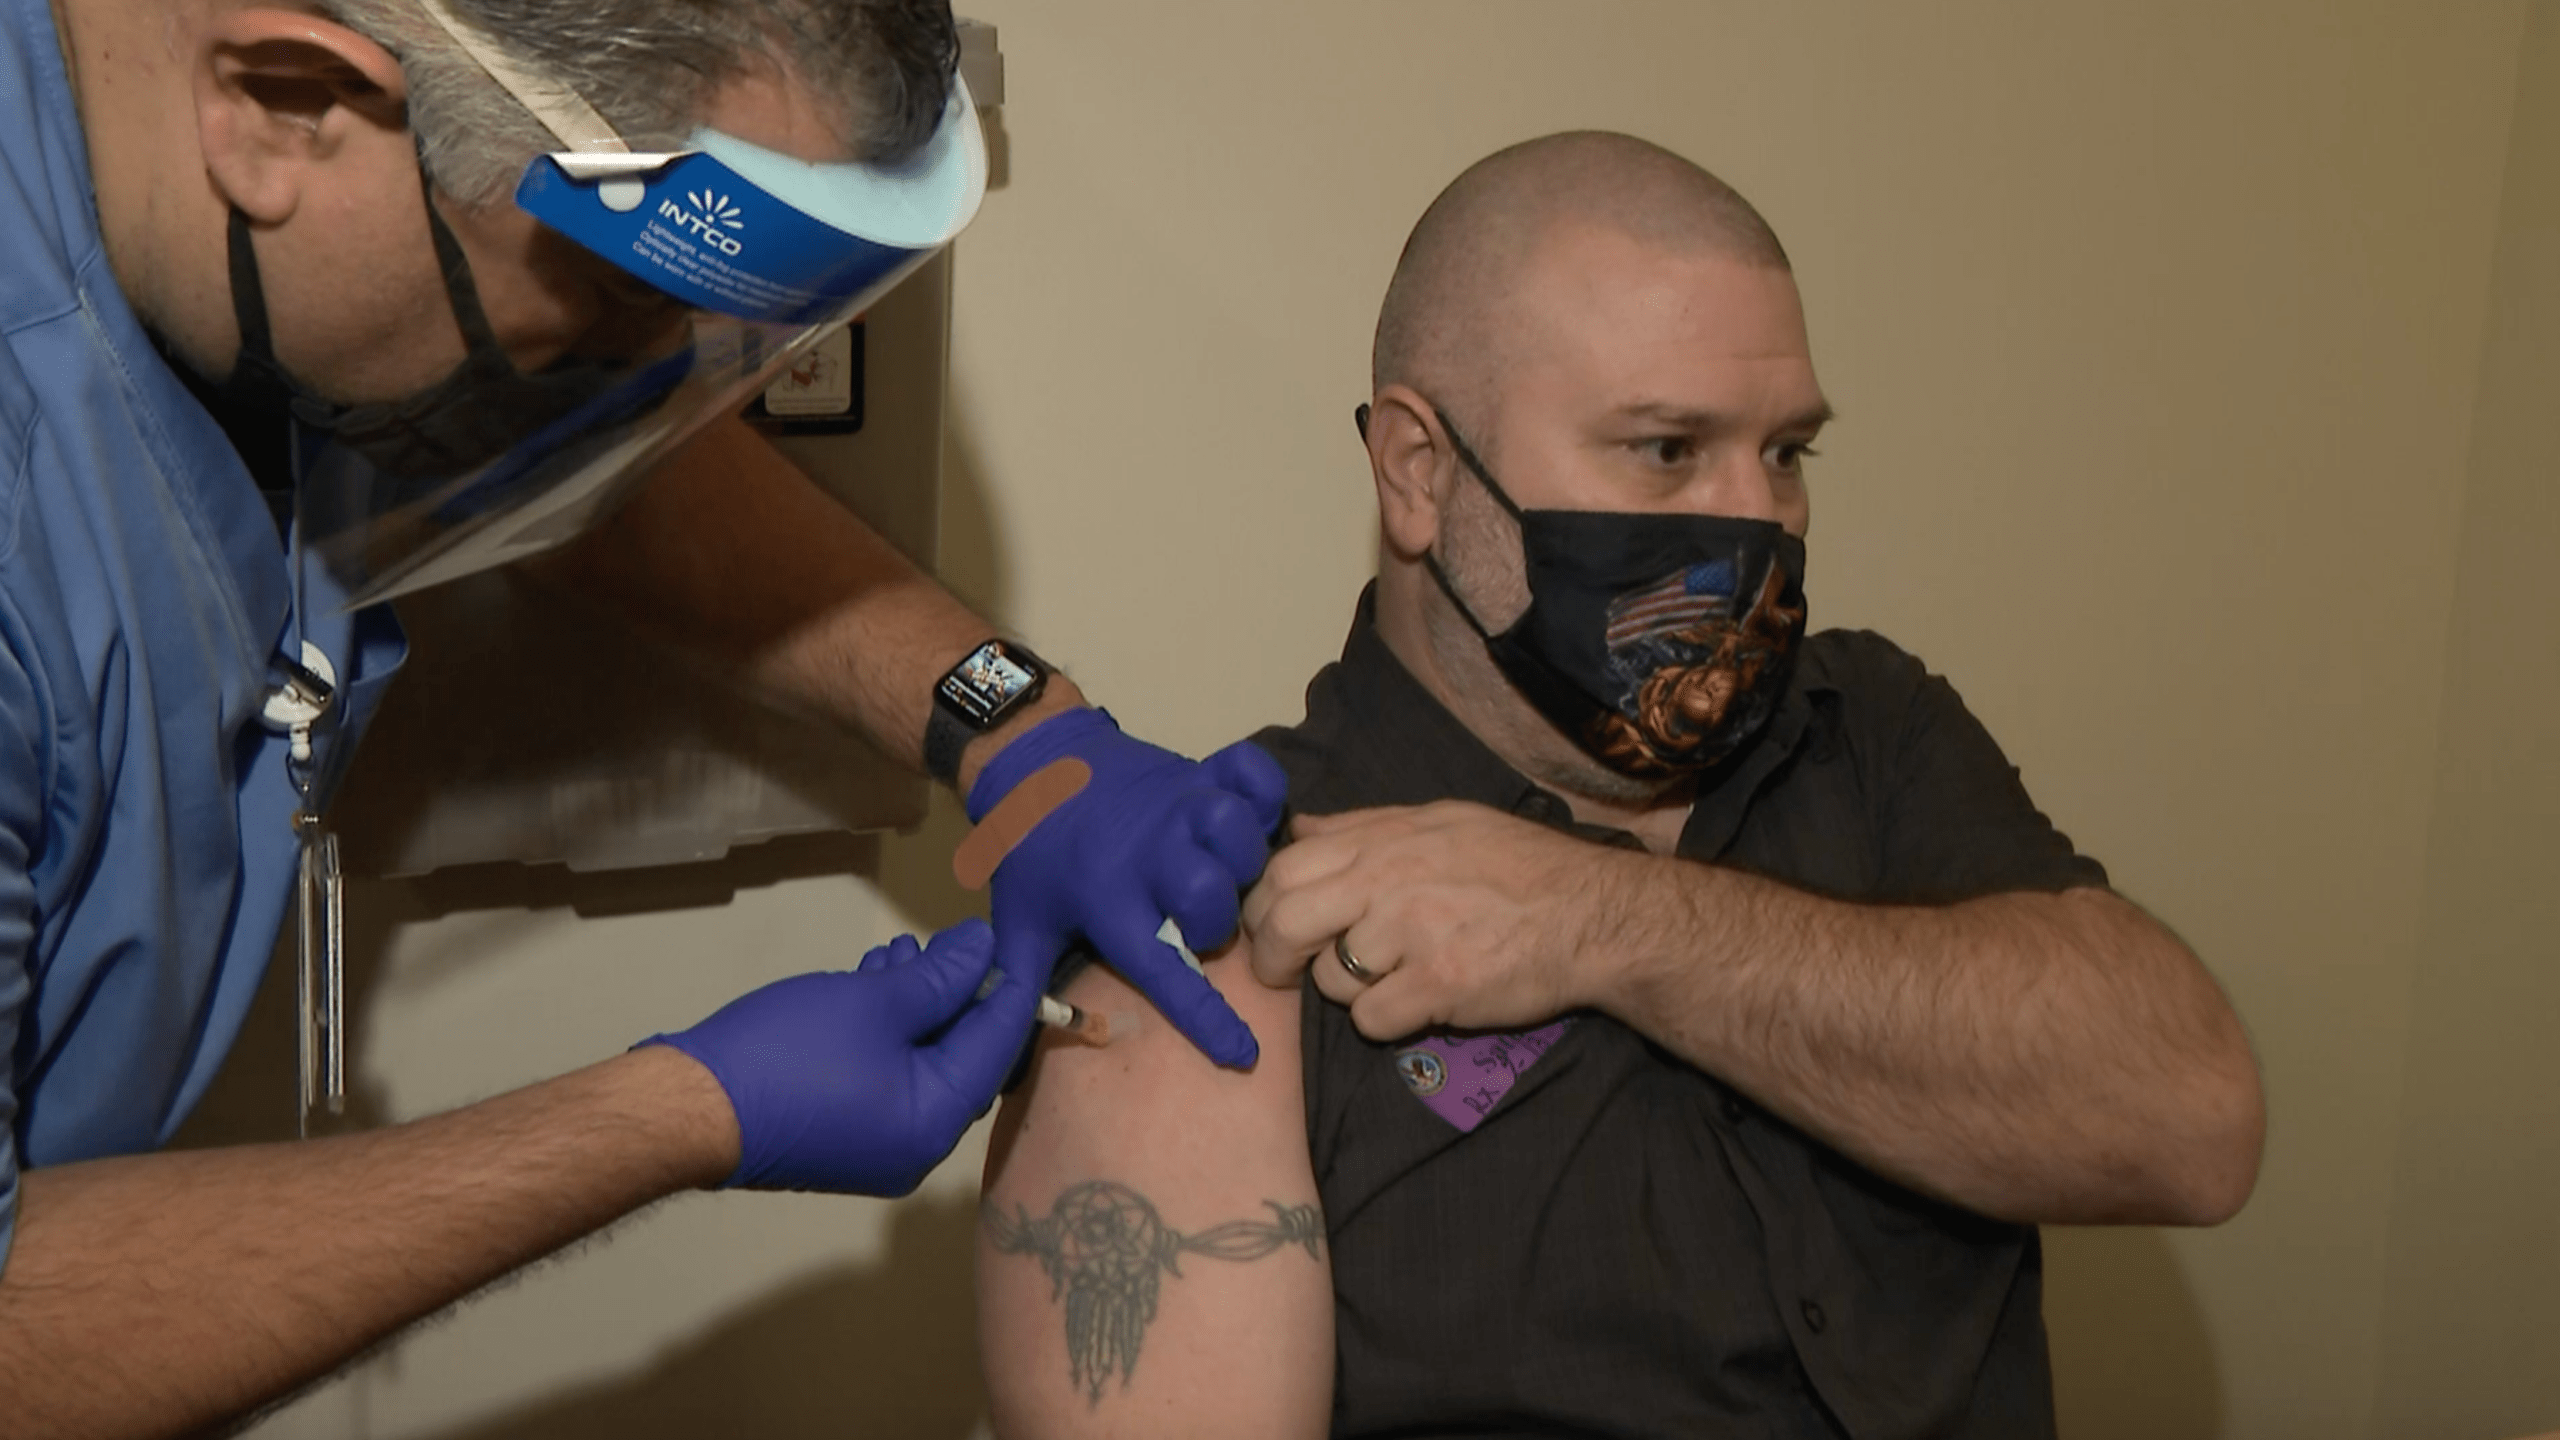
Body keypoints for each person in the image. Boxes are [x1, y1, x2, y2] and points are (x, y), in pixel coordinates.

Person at [0, 0, 1286, 1432]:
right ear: (286, 107)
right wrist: (678, 1113)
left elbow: (541, 429)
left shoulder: (276, 214)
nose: (658, 373)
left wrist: (1013, 723)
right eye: (623, 294)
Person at [976, 131, 2266, 1439]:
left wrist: (1600, 920)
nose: (1754, 520)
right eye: (1666, 449)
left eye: (1786, 453)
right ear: (1420, 471)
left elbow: (2193, 1127)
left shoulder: (1868, 738)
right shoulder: (1225, 908)